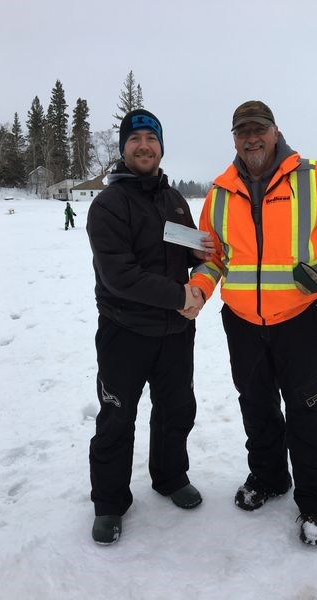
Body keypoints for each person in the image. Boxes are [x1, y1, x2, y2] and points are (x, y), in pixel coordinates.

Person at [186, 100, 317, 545]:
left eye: (258, 129)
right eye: (242, 131)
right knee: (257, 405)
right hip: (243, 323)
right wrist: (200, 289)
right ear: (234, 139)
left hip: (300, 320)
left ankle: (316, 501)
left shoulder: (312, 178)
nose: (251, 138)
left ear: (275, 130)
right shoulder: (220, 192)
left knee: (309, 410)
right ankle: (268, 477)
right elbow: (213, 258)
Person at [86, 108, 212, 545]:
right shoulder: (108, 205)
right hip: (125, 332)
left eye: (152, 139)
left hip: (176, 333)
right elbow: (119, 276)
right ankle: (109, 502)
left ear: (161, 148)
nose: (144, 145)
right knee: (118, 417)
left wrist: (204, 253)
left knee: (177, 409)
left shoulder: (174, 199)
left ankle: (170, 477)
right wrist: (181, 295)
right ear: (124, 148)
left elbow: (189, 247)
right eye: (136, 138)